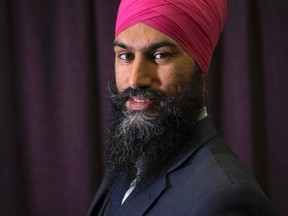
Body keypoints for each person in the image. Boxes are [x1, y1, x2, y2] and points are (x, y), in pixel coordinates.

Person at [88, 0, 277, 215]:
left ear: (200, 69)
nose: (134, 80)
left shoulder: (226, 199)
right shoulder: (134, 154)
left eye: (159, 55)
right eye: (126, 56)